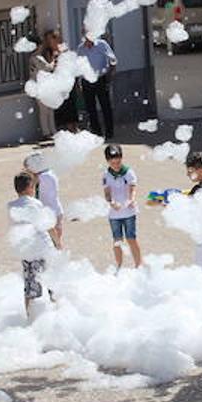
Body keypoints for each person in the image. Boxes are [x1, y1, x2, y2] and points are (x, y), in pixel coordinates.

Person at [8, 171, 58, 318]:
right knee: (52, 281)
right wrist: (58, 243)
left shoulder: (10, 206)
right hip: (43, 249)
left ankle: (29, 317)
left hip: (26, 252)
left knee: (30, 286)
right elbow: (48, 226)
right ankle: (57, 311)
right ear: (30, 187)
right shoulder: (36, 204)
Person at [31, 29, 80, 136]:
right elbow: (48, 68)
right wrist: (54, 59)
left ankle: (54, 131)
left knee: (54, 109)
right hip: (44, 86)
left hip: (61, 82)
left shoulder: (61, 49)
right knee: (46, 111)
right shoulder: (37, 57)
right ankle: (48, 133)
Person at [102, 143, 141, 271]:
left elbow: (133, 187)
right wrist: (112, 202)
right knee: (117, 241)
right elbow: (107, 193)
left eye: (118, 162)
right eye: (113, 163)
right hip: (114, 214)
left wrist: (131, 200)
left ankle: (138, 265)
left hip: (129, 212)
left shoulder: (129, 172)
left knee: (131, 239)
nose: (116, 165)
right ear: (108, 161)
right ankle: (118, 266)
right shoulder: (106, 175)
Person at [78, 32, 117, 140]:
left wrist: (111, 72)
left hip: (100, 79)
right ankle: (96, 131)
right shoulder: (81, 49)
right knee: (90, 108)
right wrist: (79, 81)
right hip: (87, 80)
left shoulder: (101, 44)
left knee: (105, 106)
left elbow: (112, 59)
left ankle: (109, 131)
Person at [24, 152, 63, 250]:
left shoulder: (45, 177)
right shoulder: (47, 173)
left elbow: (30, 182)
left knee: (53, 245)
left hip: (51, 214)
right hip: (52, 212)